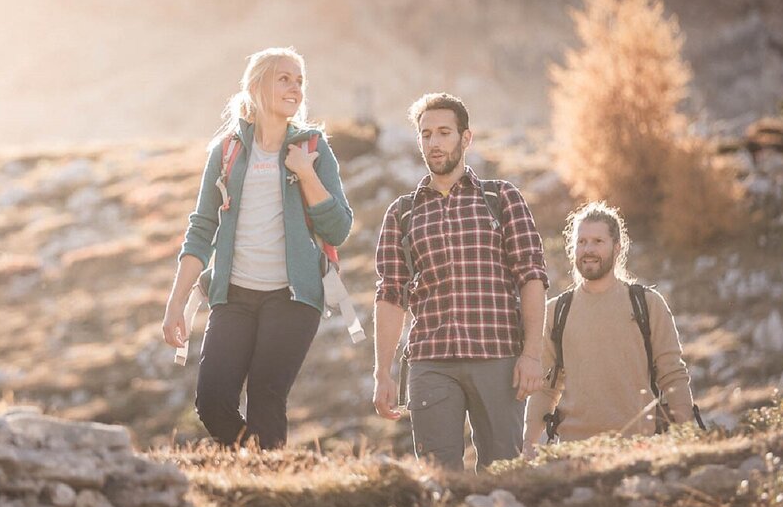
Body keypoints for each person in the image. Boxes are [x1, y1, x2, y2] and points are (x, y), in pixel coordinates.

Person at [161, 47, 353, 449]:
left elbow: (338, 229)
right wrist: (176, 302)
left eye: (299, 81)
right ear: (256, 85)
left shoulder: (314, 149)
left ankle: (269, 471)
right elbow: (201, 229)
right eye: (284, 78)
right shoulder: (227, 152)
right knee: (212, 401)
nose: (295, 88)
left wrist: (306, 174)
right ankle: (261, 461)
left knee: (266, 398)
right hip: (233, 295)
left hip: (293, 297)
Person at [371, 93, 549, 470]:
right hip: (430, 361)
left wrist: (532, 355)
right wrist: (382, 373)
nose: (434, 143)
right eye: (426, 135)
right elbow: (390, 295)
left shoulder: (501, 198)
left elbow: (532, 276)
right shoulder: (403, 213)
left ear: (466, 138)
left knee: (504, 472)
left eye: (444, 133)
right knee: (439, 477)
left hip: (497, 356)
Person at [523, 202, 698, 455]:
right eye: (582, 242)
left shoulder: (647, 304)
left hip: (640, 448)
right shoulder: (556, 312)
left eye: (598, 241)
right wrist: (528, 444)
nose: (588, 249)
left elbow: (672, 375)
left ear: (617, 247)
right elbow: (545, 388)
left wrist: (687, 435)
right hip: (574, 452)